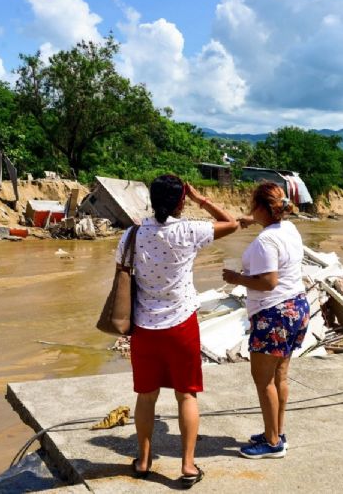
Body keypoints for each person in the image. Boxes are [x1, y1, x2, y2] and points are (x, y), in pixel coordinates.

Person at [118, 174, 238, 486]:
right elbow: (233, 223)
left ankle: (143, 461)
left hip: (144, 327)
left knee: (146, 398)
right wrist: (202, 201)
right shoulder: (190, 230)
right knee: (187, 396)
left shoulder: (131, 235)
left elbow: (122, 275)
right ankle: (187, 466)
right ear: (181, 202)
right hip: (182, 325)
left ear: (151, 200)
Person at [221, 182, 310, 459]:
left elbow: (269, 282)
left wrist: (236, 278)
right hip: (296, 307)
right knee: (280, 375)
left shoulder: (265, 241)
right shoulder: (288, 228)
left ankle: (272, 443)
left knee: (263, 381)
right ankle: (277, 431)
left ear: (260, 207)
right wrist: (253, 219)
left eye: (251, 206)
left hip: (274, 314)